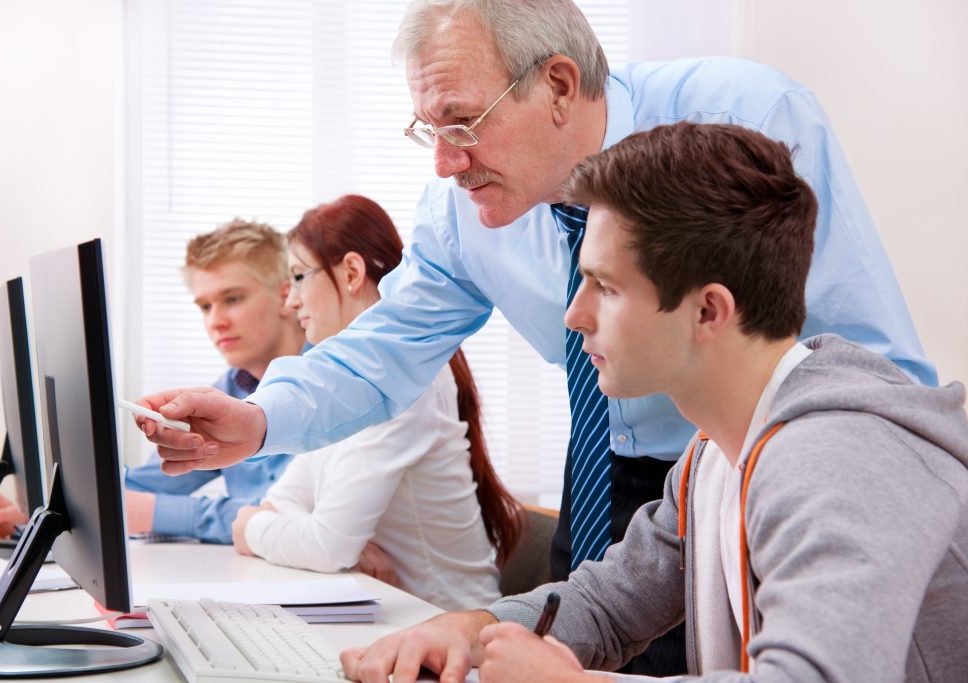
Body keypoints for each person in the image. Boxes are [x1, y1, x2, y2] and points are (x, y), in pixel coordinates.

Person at [134, 0, 936, 672]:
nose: (446, 163)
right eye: (428, 131)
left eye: (461, 123)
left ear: (557, 84)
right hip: (676, 471)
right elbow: (386, 346)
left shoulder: (749, 118)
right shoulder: (699, 474)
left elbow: (868, 375)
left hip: (792, 466)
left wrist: (843, 459)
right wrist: (476, 624)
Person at [339, 121, 968, 683]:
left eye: (605, 287)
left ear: (708, 310)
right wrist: (466, 630)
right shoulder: (714, 454)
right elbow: (609, 605)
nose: (574, 314)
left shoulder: (839, 461)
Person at [230, 194, 520, 611]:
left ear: (351, 272)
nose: (290, 302)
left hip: (445, 631)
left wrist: (249, 526)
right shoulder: (340, 382)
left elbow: (326, 545)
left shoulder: (409, 381)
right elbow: (287, 501)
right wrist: (286, 527)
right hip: (387, 614)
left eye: (298, 277)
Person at [0, 219, 305, 545]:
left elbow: (294, 521)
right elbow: (150, 484)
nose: (215, 321)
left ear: (285, 295)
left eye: (232, 299)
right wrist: (35, 513)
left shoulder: (331, 394)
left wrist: (155, 513)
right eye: (205, 306)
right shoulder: (231, 390)